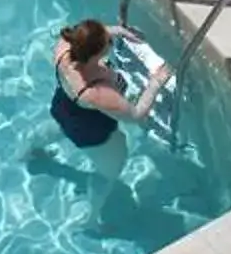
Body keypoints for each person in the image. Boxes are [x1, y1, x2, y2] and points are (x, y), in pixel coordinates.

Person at [29, 17, 174, 196]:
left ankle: (27, 153)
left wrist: (117, 30)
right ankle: (92, 216)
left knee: (62, 128)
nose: (110, 40)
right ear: (97, 53)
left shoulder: (65, 48)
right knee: (108, 175)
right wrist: (156, 83)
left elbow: (84, 37)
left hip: (63, 109)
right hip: (93, 132)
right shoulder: (96, 91)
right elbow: (136, 115)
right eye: (108, 41)